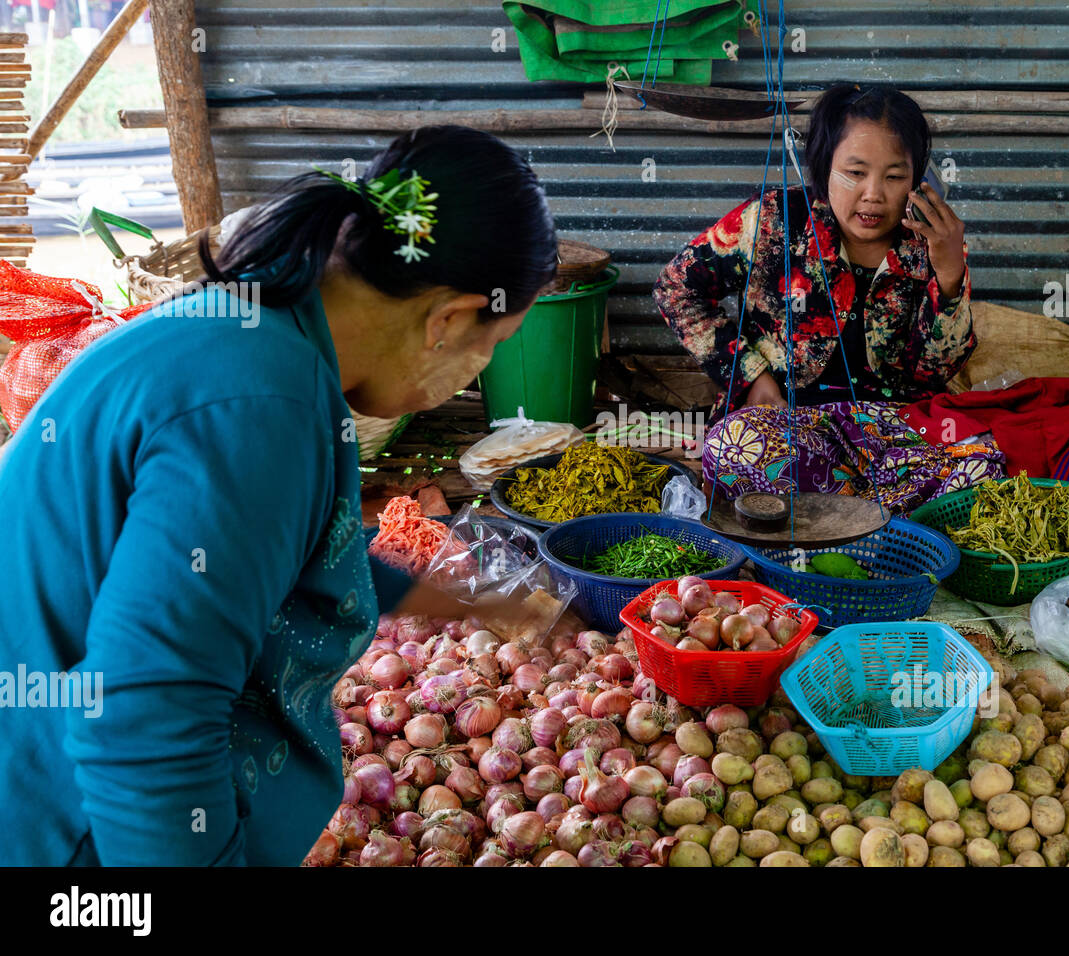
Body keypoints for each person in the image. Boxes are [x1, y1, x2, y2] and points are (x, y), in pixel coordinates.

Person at [0, 125, 557, 865]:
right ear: (449, 318)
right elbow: (145, 718)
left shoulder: (255, 338)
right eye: (497, 342)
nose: (480, 368)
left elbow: (254, 556)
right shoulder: (259, 402)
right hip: (65, 834)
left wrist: (457, 590)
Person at [654, 84, 997, 512]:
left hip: (891, 434)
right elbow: (676, 287)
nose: (873, 194)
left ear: (916, 177)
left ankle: (840, 516)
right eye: (855, 173)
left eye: (894, 176)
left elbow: (933, 376)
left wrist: (949, 274)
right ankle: (880, 518)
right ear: (824, 166)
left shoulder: (931, 240)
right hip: (785, 429)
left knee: (983, 463)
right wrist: (750, 375)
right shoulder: (774, 222)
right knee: (733, 448)